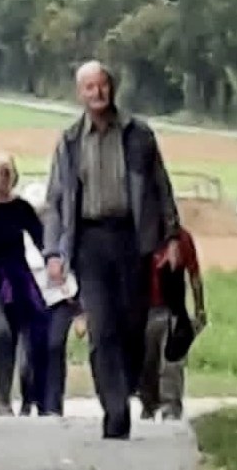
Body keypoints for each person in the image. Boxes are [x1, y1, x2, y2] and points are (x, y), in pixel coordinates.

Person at [43, 60, 181, 440]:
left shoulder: (139, 135)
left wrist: (170, 237)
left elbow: (160, 188)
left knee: (133, 326)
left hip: (133, 239)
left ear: (112, 88)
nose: (97, 93)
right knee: (102, 326)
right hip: (89, 241)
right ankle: (115, 408)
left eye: (102, 85)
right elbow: (54, 200)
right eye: (89, 87)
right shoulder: (70, 142)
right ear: (80, 94)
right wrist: (53, 252)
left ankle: (130, 381)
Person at [0, 153, 49, 416]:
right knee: (1, 331)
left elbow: (41, 240)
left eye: (7, 172)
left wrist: (54, 260)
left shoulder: (21, 208)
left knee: (17, 335)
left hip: (15, 279)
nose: (2, 178)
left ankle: (10, 396)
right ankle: (1, 398)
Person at [139, 226, 206, 420]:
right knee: (147, 363)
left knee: (172, 363)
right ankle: (149, 405)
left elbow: (194, 274)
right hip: (145, 311)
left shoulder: (183, 239)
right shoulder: (140, 236)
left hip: (173, 309)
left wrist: (199, 308)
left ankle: (171, 407)